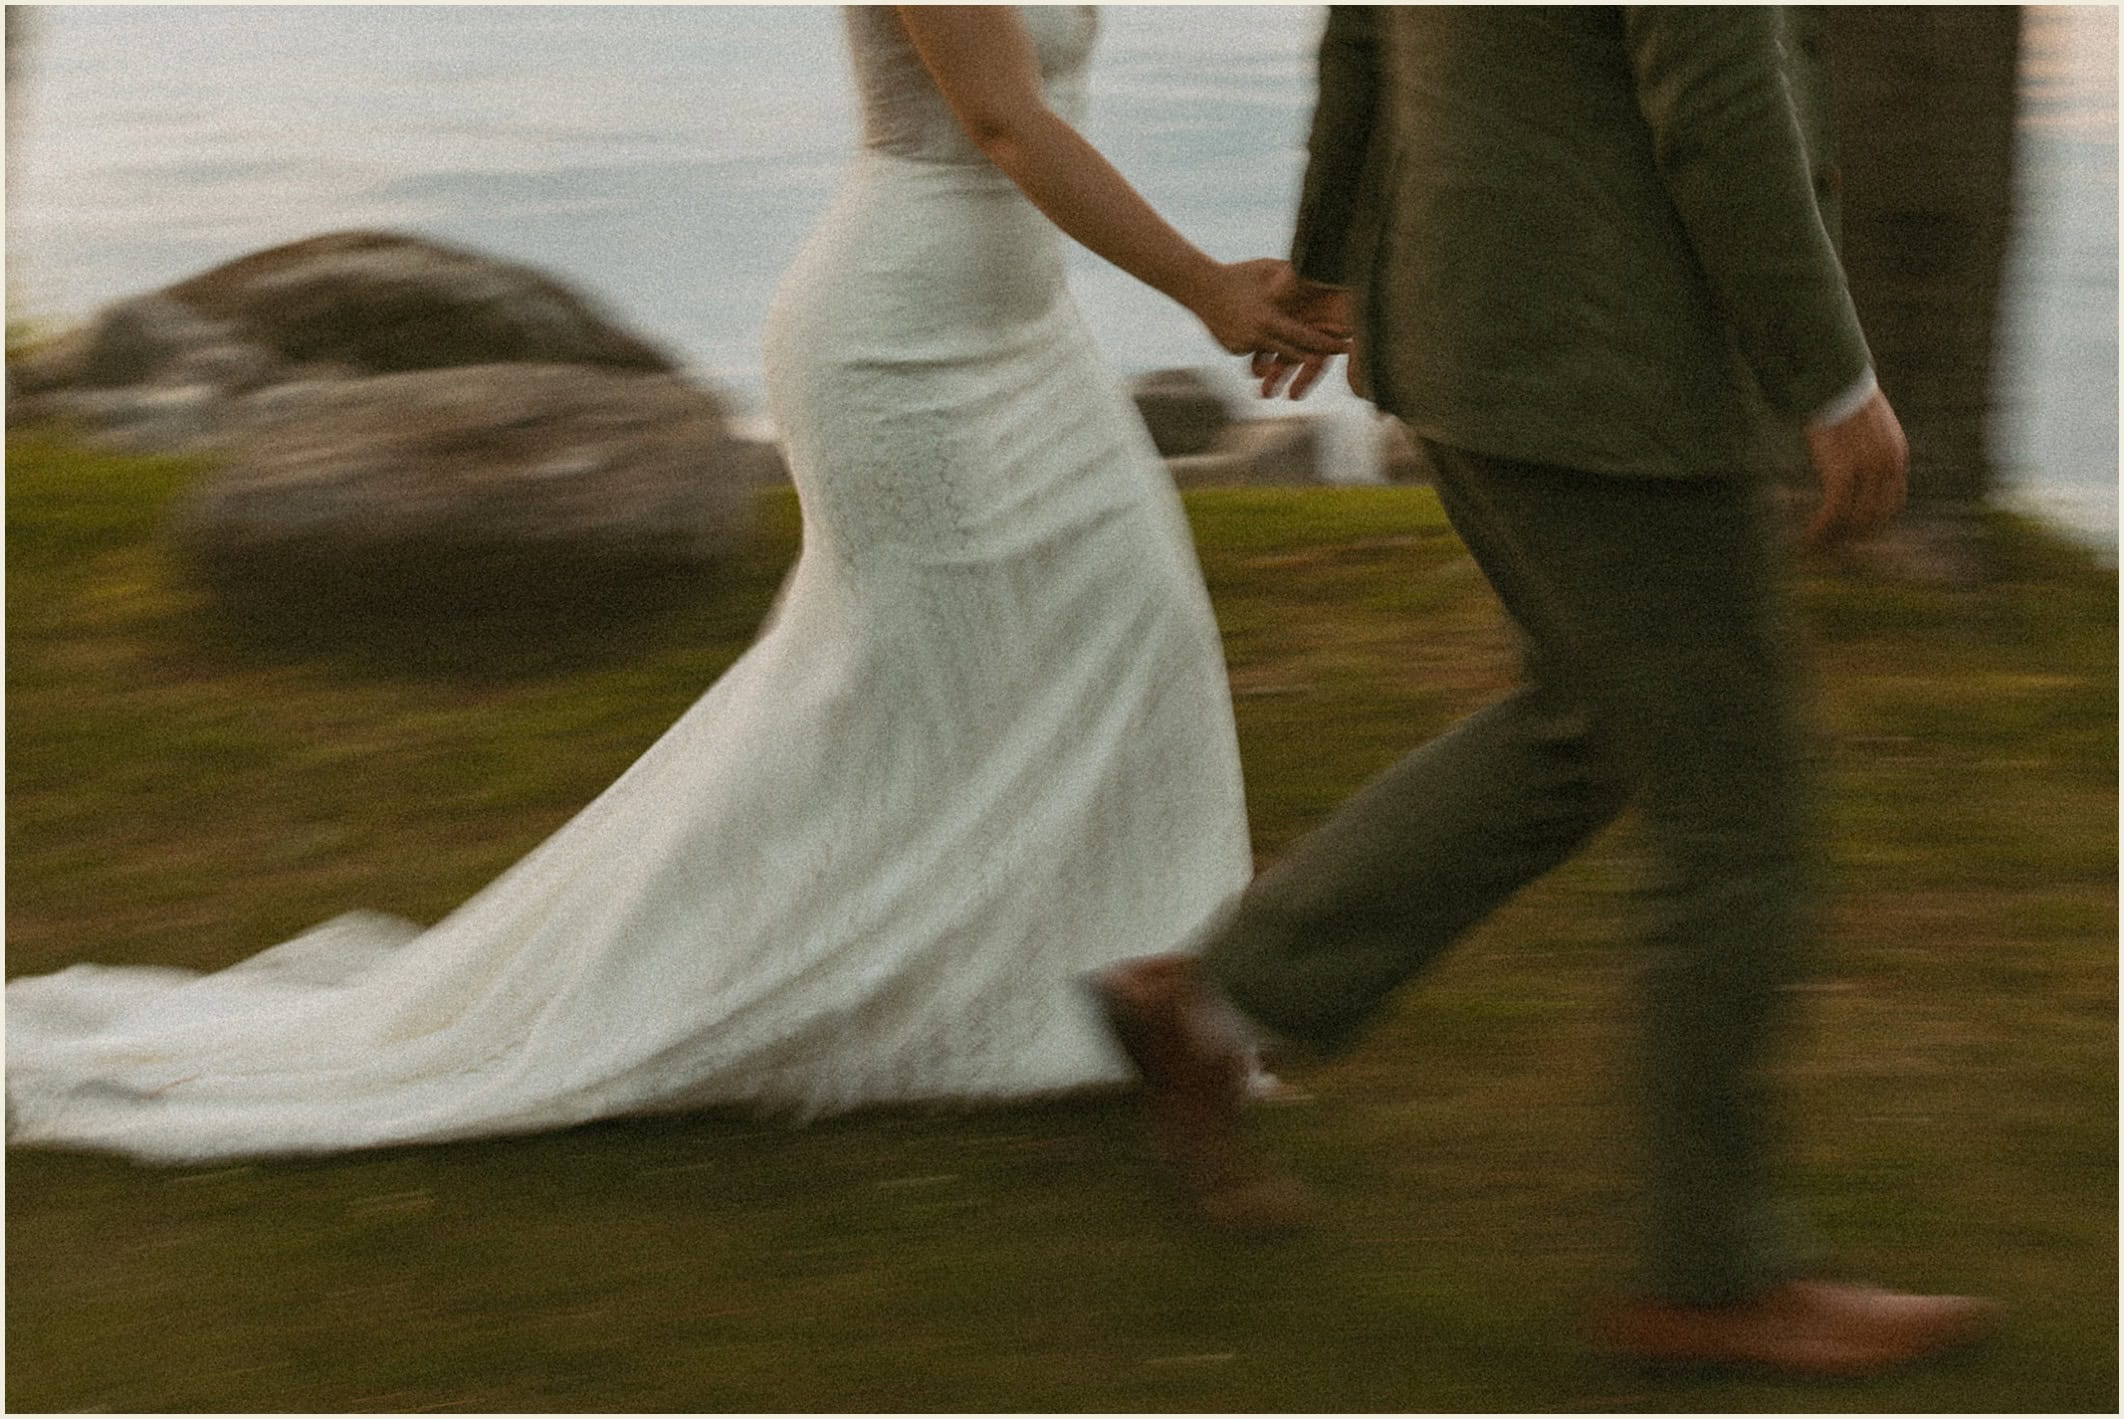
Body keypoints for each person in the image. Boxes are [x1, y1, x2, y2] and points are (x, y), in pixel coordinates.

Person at [5, 6, 1345, 1162]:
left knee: (1136, 631)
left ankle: (1102, 999)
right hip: (901, 348)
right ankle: (770, 987)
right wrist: (1203, 287)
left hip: (1025, 334)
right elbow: (1001, 124)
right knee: (881, 691)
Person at [1093, 6, 1997, 1380]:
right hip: (1604, 368)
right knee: (1738, 809)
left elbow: (1359, 38)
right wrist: (1834, 378)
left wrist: (1336, 263)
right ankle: (1714, 1276)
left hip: (1462, 338)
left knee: (1584, 726)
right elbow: (1718, 93)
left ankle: (1210, 1005)